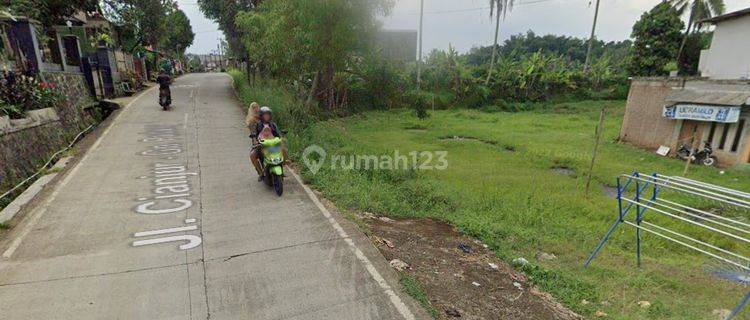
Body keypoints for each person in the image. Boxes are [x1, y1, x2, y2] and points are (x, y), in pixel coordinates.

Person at [250, 106, 288, 181]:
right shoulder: (257, 125)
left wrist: (282, 138)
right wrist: (254, 140)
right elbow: (253, 133)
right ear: (261, 116)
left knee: (284, 150)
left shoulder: (273, 125)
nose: (267, 116)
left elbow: (278, 134)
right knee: (252, 156)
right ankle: (260, 173)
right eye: (265, 115)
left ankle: (282, 166)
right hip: (261, 146)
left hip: (273, 145)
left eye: (268, 115)